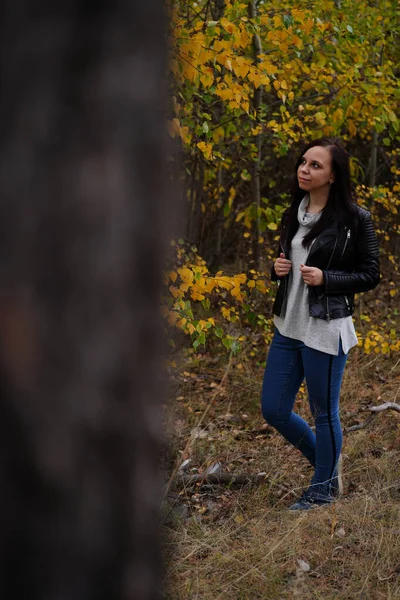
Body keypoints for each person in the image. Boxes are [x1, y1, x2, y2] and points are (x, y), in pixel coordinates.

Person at [261, 138, 380, 511]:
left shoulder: (354, 219)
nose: (304, 169)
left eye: (315, 165)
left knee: (324, 412)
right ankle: (327, 468)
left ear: (332, 176)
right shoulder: (293, 211)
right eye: (303, 162)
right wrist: (275, 268)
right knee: (274, 409)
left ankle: (324, 490)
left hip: (324, 327)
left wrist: (328, 278)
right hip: (288, 325)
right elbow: (286, 258)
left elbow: (370, 273)